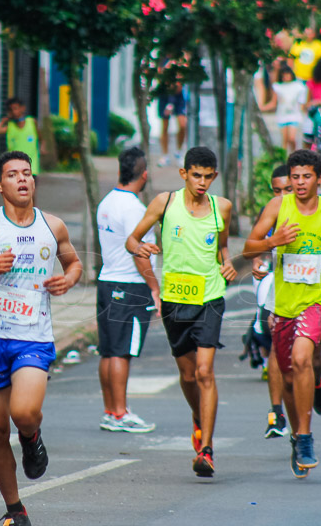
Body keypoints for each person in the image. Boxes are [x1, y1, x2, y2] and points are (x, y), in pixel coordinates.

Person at [0, 150, 82, 526]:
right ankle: (15, 510)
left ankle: (31, 438)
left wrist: (68, 279)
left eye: (27, 174)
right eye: (13, 175)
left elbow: (74, 263)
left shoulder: (53, 226)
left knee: (24, 412)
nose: (22, 180)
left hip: (34, 335)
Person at [243, 149, 321, 478]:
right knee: (290, 377)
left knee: (302, 357)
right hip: (284, 302)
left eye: (306, 176)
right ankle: (297, 436)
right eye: (294, 177)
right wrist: (273, 241)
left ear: (319, 179)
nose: (299, 183)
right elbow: (248, 246)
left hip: (316, 299)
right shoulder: (278, 207)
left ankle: (306, 437)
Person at [126, 147, 237, 478]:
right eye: (196, 175)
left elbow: (223, 246)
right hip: (175, 300)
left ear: (214, 177)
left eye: (208, 176)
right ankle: (198, 416)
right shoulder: (165, 203)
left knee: (205, 372)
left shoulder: (223, 208)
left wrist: (227, 263)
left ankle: (207, 448)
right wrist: (141, 247)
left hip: (210, 297)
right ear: (184, 174)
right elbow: (132, 240)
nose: (202, 182)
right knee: (189, 376)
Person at [95, 147, 159, 434]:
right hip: (130, 285)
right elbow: (140, 253)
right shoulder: (134, 208)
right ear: (143, 174)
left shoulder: (107, 202)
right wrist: (155, 288)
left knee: (108, 351)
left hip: (107, 281)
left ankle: (111, 411)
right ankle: (120, 414)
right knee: (122, 352)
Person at [244, 165, 295, 438]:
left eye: (288, 189)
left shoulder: (318, 209)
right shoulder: (272, 210)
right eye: (277, 191)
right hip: (280, 284)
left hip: (311, 291)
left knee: (313, 359)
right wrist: (258, 260)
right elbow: (254, 244)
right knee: (276, 341)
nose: (282, 195)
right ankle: (276, 413)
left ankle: (317, 383)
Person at [0, 98, 40, 185]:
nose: (14, 112)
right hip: (14, 164)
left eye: (16, 108)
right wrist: (4, 121)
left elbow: (40, 136)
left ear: (23, 108)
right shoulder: (10, 126)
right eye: (11, 110)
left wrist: (42, 147)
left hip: (31, 164)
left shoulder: (32, 122)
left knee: (30, 191)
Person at [271, 64, 307, 153]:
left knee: (292, 138)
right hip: (282, 114)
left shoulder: (298, 87)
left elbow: (302, 102)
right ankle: (284, 159)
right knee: (285, 139)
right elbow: (273, 102)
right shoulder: (278, 87)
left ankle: (294, 153)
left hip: (294, 114)